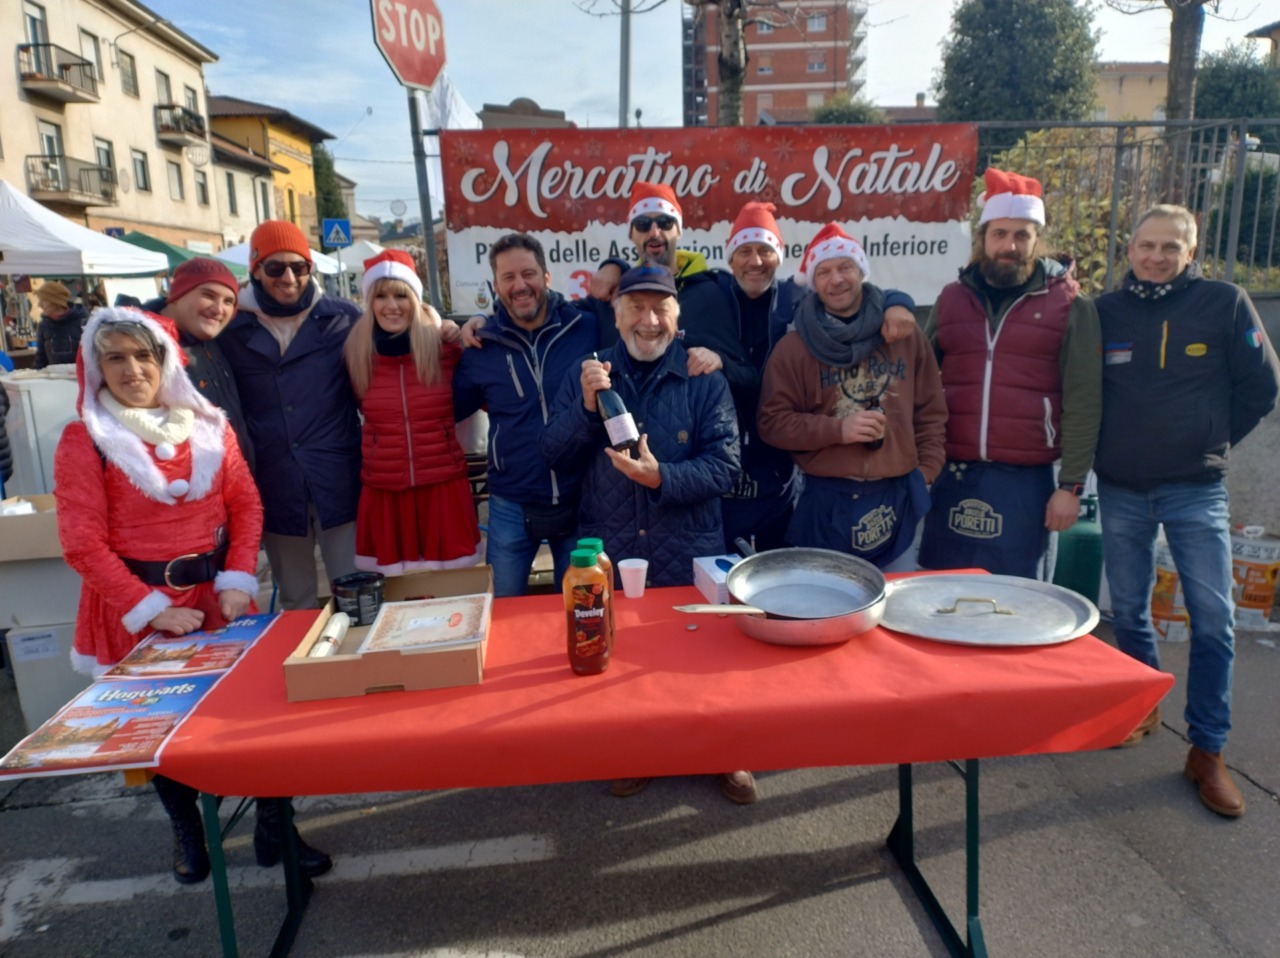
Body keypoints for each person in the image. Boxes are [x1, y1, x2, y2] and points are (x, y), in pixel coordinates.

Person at [52, 307, 331, 885]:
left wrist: (236, 579)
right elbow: (82, 544)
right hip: (137, 609)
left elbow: (247, 506)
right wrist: (152, 608)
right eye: (116, 358)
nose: (132, 370)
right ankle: (187, 826)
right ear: (96, 367)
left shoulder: (209, 425)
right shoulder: (87, 438)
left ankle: (277, 825)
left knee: (254, 723)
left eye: (142, 356)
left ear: (164, 361)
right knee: (160, 732)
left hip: (218, 601)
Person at [541, 263, 752, 804]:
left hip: (690, 544)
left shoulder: (704, 378)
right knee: (623, 654)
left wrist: (664, 478)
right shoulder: (590, 375)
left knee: (702, 655)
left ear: (676, 318)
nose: (648, 319)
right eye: (636, 307)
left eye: (660, 308)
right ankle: (634, 751)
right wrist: (587, 409)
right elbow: (553, 453)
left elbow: (727, 468)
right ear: (617, 315)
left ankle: (726, 753)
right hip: (612, 542)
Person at [1095, 204, 1279, 818]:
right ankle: (1141, 708)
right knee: (1129, 609)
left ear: (1191, 251)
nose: (1155, 256)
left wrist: (1212, 437)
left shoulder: (1225, 303)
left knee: (1214, 618)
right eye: (1145, 244)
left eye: (1169, 247)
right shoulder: (1104, 312)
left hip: (1196, 489)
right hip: (1120, 488)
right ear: (1130, 249)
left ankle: (1207, 749)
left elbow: (1263, 387)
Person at [918, 168, 1102, 578]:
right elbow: (919, 381)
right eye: (999, 234)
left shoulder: (1071, 306)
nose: (1010, 245)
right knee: (938, 592)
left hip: (1026, 482)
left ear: (1037, 240)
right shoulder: (951, 299)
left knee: (1017, 601)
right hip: (954, 475)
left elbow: (1084, 401)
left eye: (1022, 235)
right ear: (983, 238)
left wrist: (1071, 487)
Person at [711, 201, 921, 552]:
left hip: (782, 471)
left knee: (780, 583)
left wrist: (899, 302)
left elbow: (856, 293)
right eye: (744, 251)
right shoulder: (709, 295)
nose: (755, 261)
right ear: (730, 257)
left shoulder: (799, 300)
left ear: (779, 256)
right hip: (721, 464)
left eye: (765, 250)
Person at [757, 223, 947, 570]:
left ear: (861, 270)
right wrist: (838, 430)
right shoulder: (794, 347)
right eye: (824, 271)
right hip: (825, 502)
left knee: (895, 611)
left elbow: (931, 412)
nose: (837, 280)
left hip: (897, 496)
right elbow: (772, 424)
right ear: (814, 282)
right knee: (825, 612)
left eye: (845, 267)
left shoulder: (902, 334)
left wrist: (926, 473)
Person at [217, 221, 361, 610]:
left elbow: (401, 329)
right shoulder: (230, 327)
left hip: (337, 476)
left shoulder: (342, 318)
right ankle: (308, 672)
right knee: (296, 599)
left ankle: (362, 670)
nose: (289, 277)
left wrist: (444, 326)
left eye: (299, 267)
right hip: (274, 480)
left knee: (356, 590)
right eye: (276, 267)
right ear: (256, 269)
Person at [452, 234, 599, 596]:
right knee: (501, 612)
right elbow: (450, 407)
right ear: (496, 286)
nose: (520, 285)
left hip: (581, 495)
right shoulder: (481, 346)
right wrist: (443, 333)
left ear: (547, 277)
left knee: (583, 609)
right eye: (508, 277)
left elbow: (636, 303)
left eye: (529, 273)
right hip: (511, 501)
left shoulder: (587, 327)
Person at [344, 249, 480, 574]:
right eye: (381, 296)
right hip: (386, 495)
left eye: (401, 295)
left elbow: (482, 386)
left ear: (415, 301)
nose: (391, 305)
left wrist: (472, 324)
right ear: (370, 302)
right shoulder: (356, 356)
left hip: (442, 489)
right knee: (396, 599)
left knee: (451, 594)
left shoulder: (444, 350)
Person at [144, 257, 255, 472]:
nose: (218, 309)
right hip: (184, 494)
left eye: (228, 301)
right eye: (208, 295)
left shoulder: (209, 340)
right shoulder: (142, 350)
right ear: (176, 296)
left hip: (230, 486)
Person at [34, 281, 88, 368]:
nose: (39, 304)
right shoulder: (43, 326)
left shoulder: (84, 322)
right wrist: (36, 377)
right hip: (54, 379)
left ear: (55, 301)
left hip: (80, 378)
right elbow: (40, 358)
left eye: (43, 300)